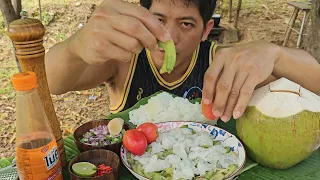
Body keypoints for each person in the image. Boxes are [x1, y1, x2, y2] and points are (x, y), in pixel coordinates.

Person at [45, 0, 320, 122]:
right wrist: (74, 48)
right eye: (159, 20)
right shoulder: (124, 59)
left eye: (186, 24)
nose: (169, 37)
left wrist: (276, 55)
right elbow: (49, 84)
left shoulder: (222, 62)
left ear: (206, 30)